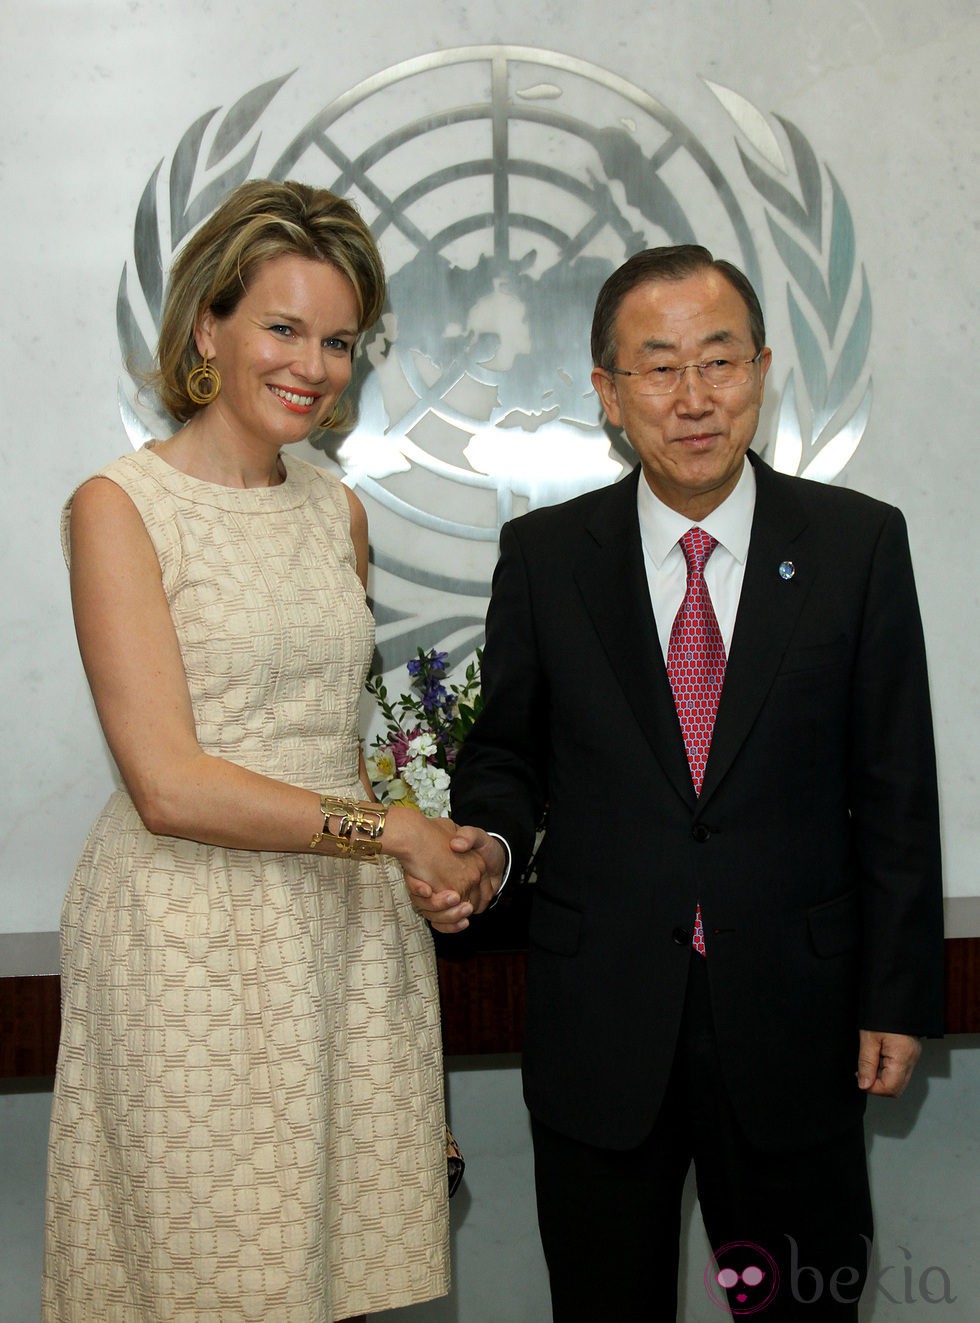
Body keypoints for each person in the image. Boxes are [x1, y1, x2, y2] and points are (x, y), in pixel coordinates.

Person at [410, 246, 944, 1319]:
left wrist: (896, 993)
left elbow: (893, 788)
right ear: (606, 393)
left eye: (719, 361)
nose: (693, 399)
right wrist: (493, 848)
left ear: (760, 370)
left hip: (796, 1019)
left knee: (797, 1304)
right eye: (657, 368)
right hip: (602, 1022)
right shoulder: (547, 555)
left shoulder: (854, 544)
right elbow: (507, 752)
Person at [43, 179, 487, 1322]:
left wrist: (427, 857)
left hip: (343, 941)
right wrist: (380, 829)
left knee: (339, 1278)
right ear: (208, 328)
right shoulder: (118, 506)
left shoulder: (334, 508)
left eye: (338, 340)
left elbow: (338, 740)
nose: (315, 364)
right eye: (282, 328)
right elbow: (168, 783)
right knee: (208, 1278)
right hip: (185, 937)